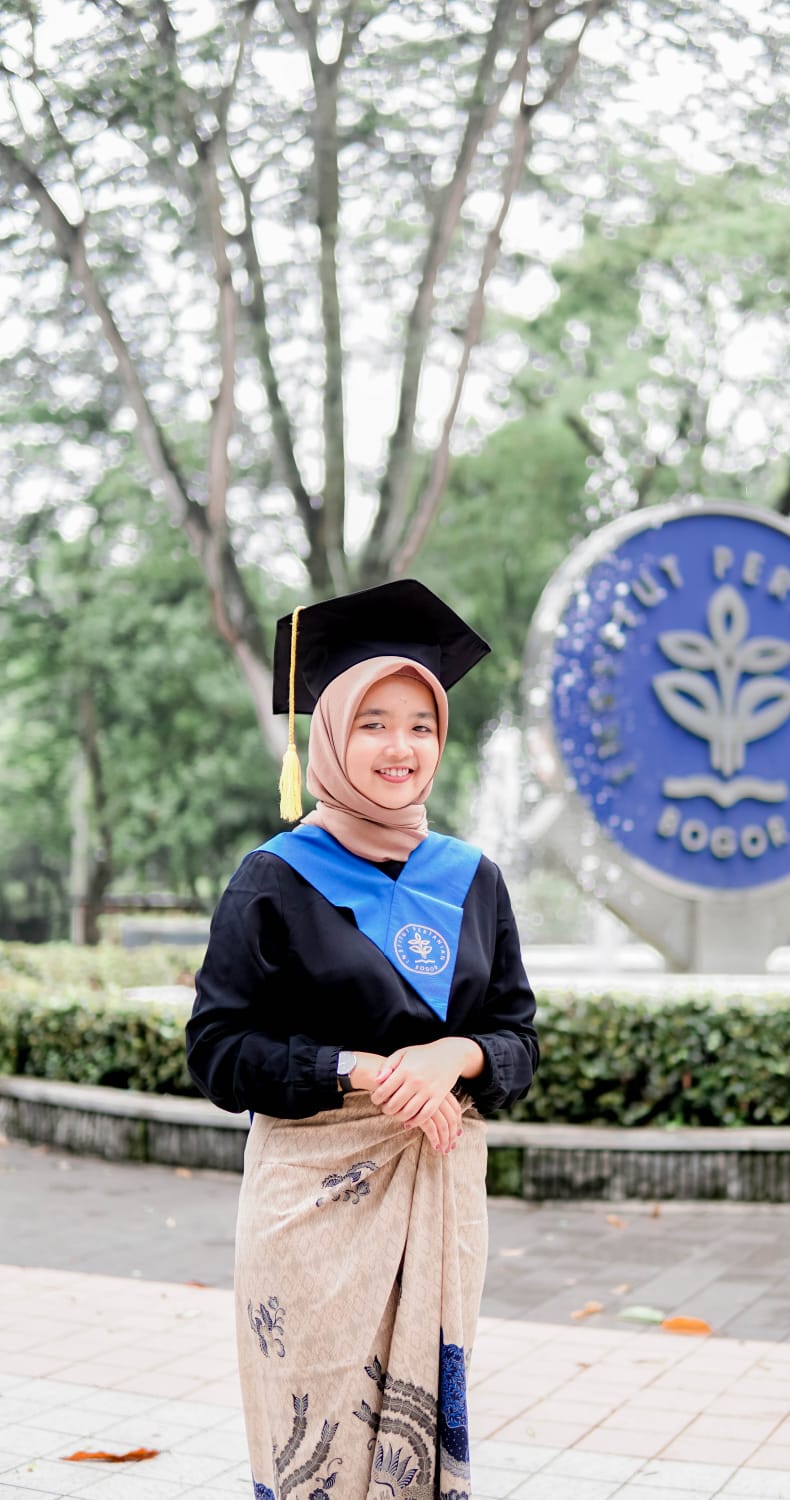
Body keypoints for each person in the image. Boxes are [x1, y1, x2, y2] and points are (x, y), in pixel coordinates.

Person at [185, 580, 538, 1500]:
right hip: (312, 1210)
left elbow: (517, 1039)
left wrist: (454, 1057)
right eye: (374, 723)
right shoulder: (274, 879)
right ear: (333, 736)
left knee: (413, 1451)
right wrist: (359, 1070)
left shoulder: (473, 879)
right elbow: (217, 1052)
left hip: (438, 1195)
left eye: (421, 725)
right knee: (316, 1449)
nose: (401, 747)